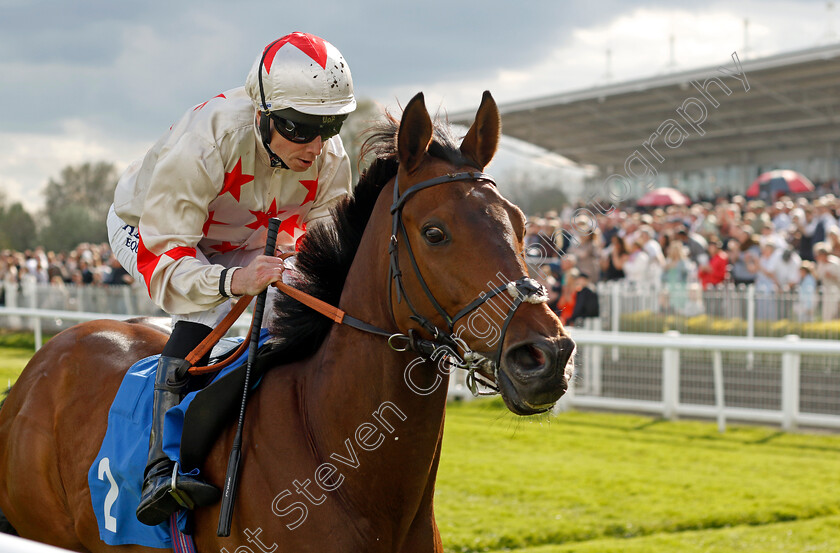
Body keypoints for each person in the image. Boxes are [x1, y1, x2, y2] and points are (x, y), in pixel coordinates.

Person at [106, 32, 356, 526]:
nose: (318, 145)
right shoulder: (207, 140)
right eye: (303, 129)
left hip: (243, 235)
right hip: (151, 228)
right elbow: (170, 265)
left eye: (332, 126)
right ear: (265, 116)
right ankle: (162, 465)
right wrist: (233, 283)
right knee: (209, 306)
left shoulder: (330, 158)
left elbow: (331, 252)